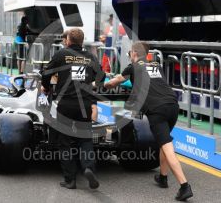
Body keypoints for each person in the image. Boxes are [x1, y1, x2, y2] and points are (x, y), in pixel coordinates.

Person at [104, 41, 193, 201]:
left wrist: (104, 85)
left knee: (167, 145)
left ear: (134, 53)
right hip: (172, 105)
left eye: (130, 53)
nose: (130, 55)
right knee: (163, 143)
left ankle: (184, 185)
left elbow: (114, 82)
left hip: (156, 109)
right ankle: (163, 177)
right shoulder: (156, 66)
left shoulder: (133, 66)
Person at [41, 28, 105, 189]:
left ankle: (70, 179)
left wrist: (46, 87)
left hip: (66, 104)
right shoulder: (90, 57)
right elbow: (102, 77)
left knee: (65, 142)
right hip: (84, 104)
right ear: (82, 42)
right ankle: (89, 167)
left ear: (68, 40)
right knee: (85, 139)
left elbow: (46, 73)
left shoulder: (61, 54)